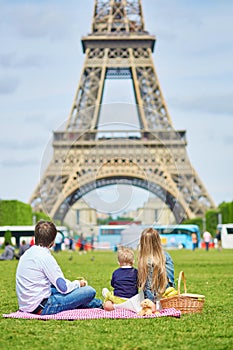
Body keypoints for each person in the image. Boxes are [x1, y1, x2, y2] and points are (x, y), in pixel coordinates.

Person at [16, 220, 102, 315]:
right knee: (89, 291)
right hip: (43, 307)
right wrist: (78, 284)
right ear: (53, 241)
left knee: (58, 288)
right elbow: (63, 288)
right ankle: (99, 303)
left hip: (27, 304)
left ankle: (96, 303)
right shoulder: (46, 257)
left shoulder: (27, 254)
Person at [137, 227, 175, 311]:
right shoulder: (166, 256)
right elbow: (171, 281)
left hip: (148, 301)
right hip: (167, 300)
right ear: (158, 241)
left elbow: (141, 284)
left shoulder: (143, 259)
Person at [103, 246, 138, 311]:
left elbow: (113, 284)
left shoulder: (116, 272)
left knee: (107, 301)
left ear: (119, 262)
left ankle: (114, 305)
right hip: (132, 300)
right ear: (133, 261)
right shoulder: (136, 272)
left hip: (117, 299)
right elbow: (140, 284)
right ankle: (126, 307)